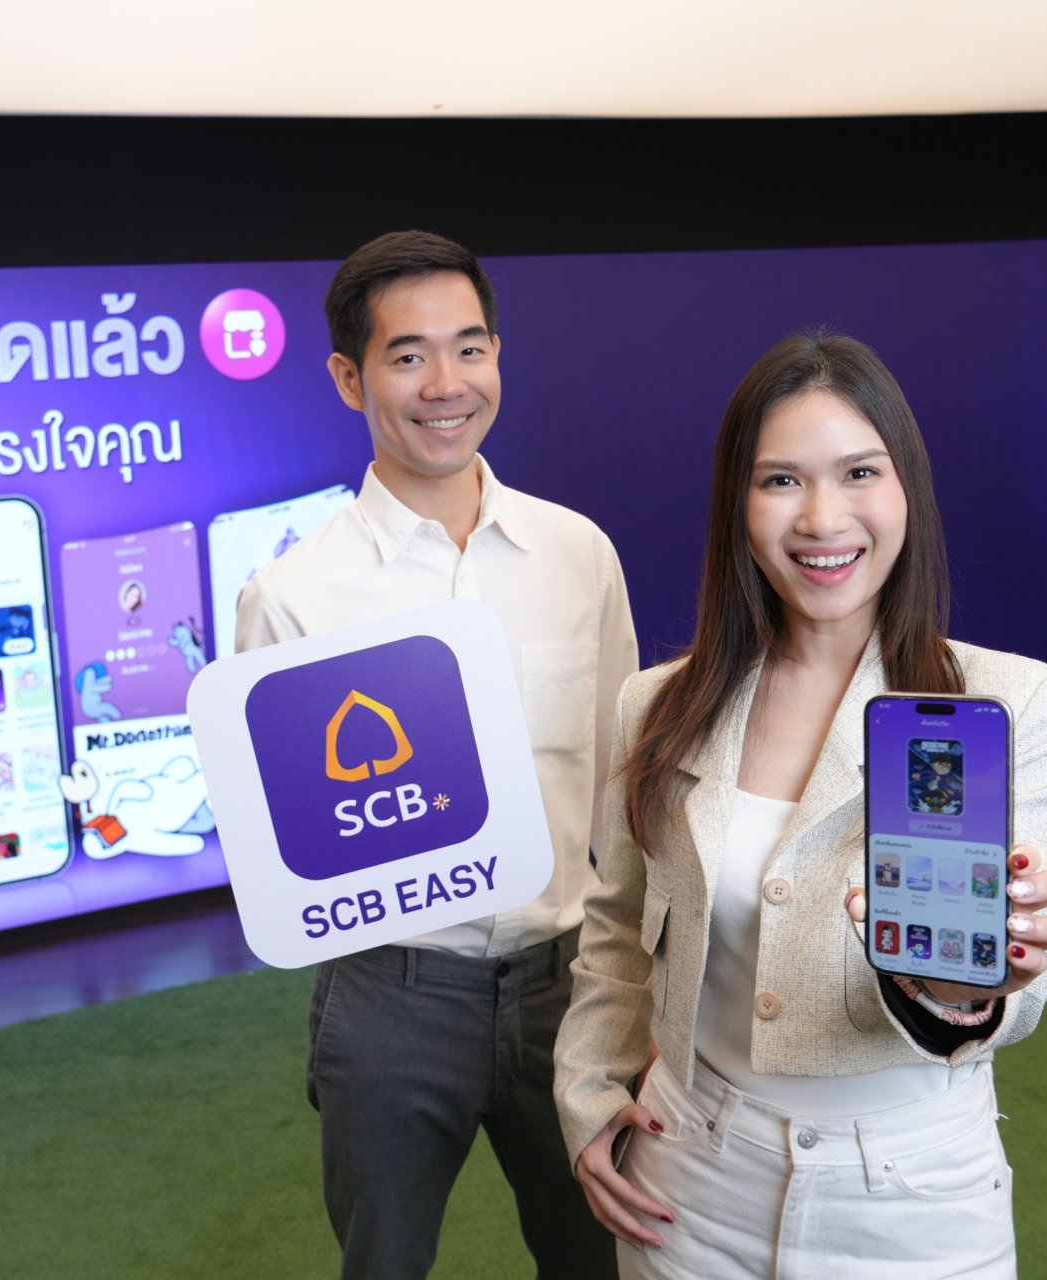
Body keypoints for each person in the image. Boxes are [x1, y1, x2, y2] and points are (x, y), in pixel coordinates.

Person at [553, 333, 1047, 1277]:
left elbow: (1008, 991)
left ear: (907, 489)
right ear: (738, 504)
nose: (823, 518)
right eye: (781, 481)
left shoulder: (1017, 705)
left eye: (859, 472)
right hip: (687, 1187)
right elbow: (616, 929)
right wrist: (590, 1097)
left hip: (912, 1196)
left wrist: (968, 986)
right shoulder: (658, 705)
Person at [236, 230, 638, 1279]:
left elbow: (623, 786)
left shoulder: (579, 555)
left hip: (569, 985)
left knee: (601, 1261)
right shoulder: (293, 595)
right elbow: (290, 844)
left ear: (498, 354)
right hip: (390, 996)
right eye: (408, 356)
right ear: (349, 377)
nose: (446, 384)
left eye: (470, 348)